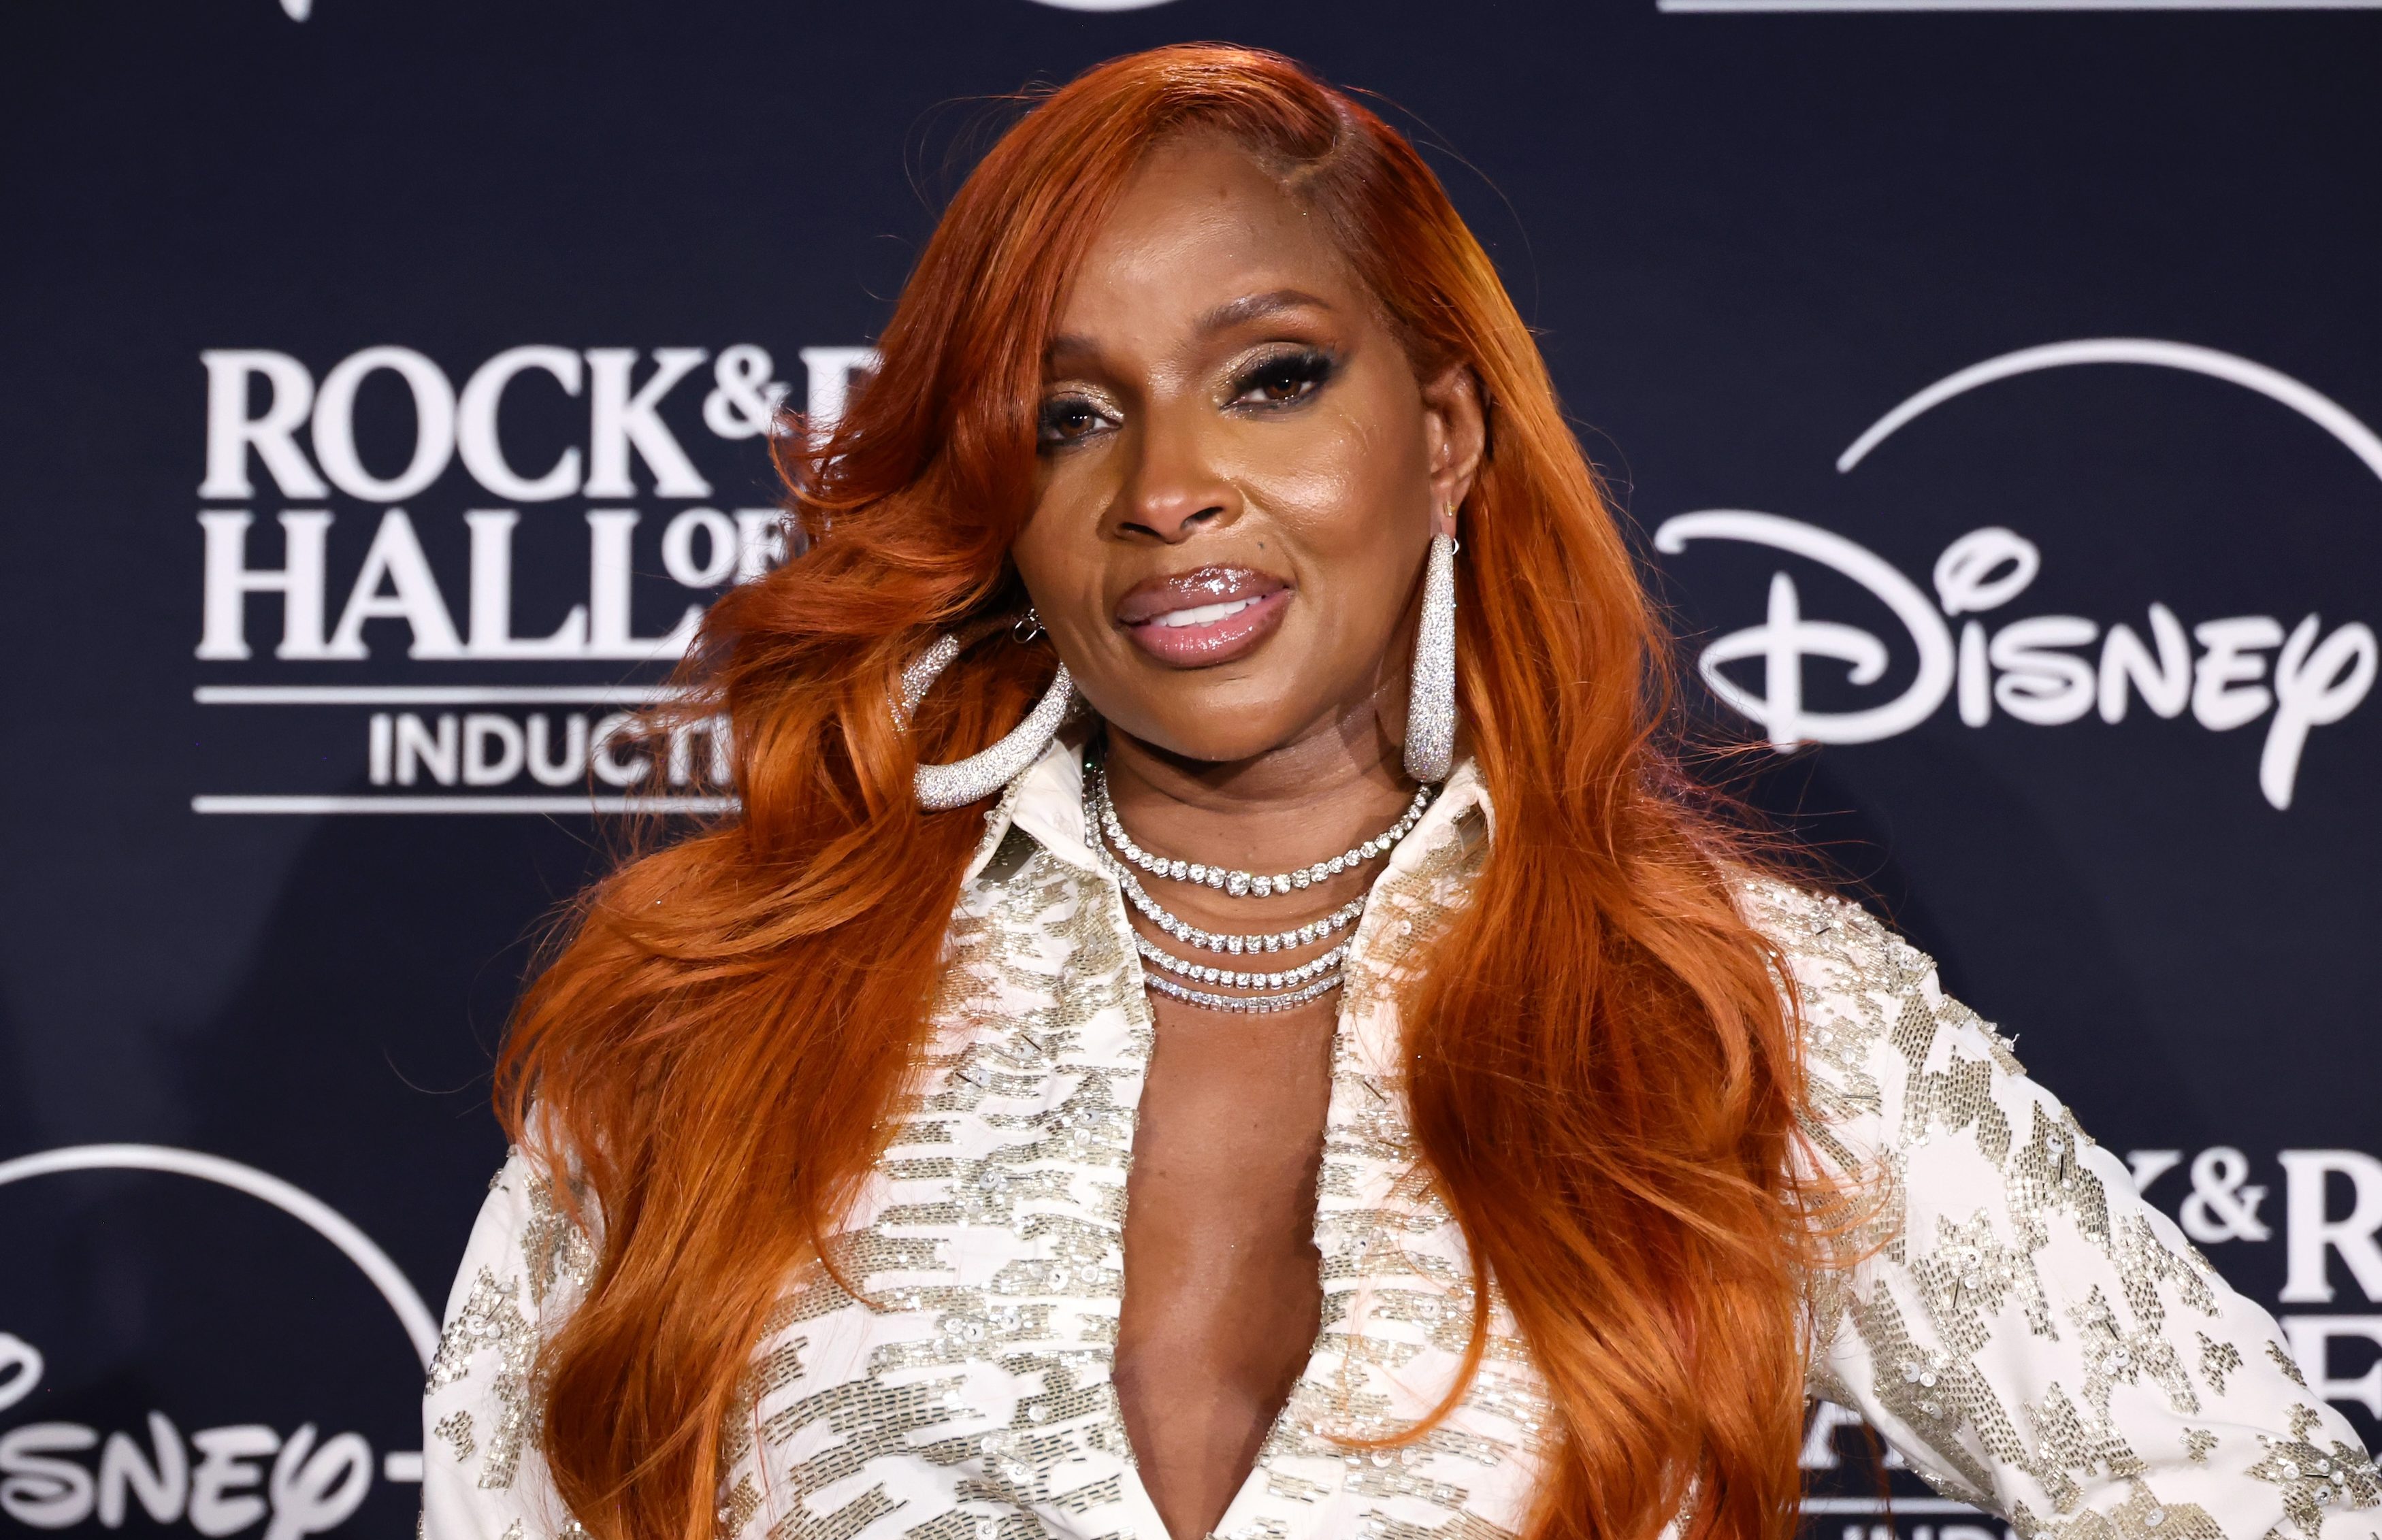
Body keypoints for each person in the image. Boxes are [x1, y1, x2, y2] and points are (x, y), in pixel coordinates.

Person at [420, 43, 2379, 1540]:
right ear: (1001, 501)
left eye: (1267, 376)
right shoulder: (711, 1021)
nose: (1164, 482)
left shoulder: (1741, 1013)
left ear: (1441, 437)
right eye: (1070, 413)